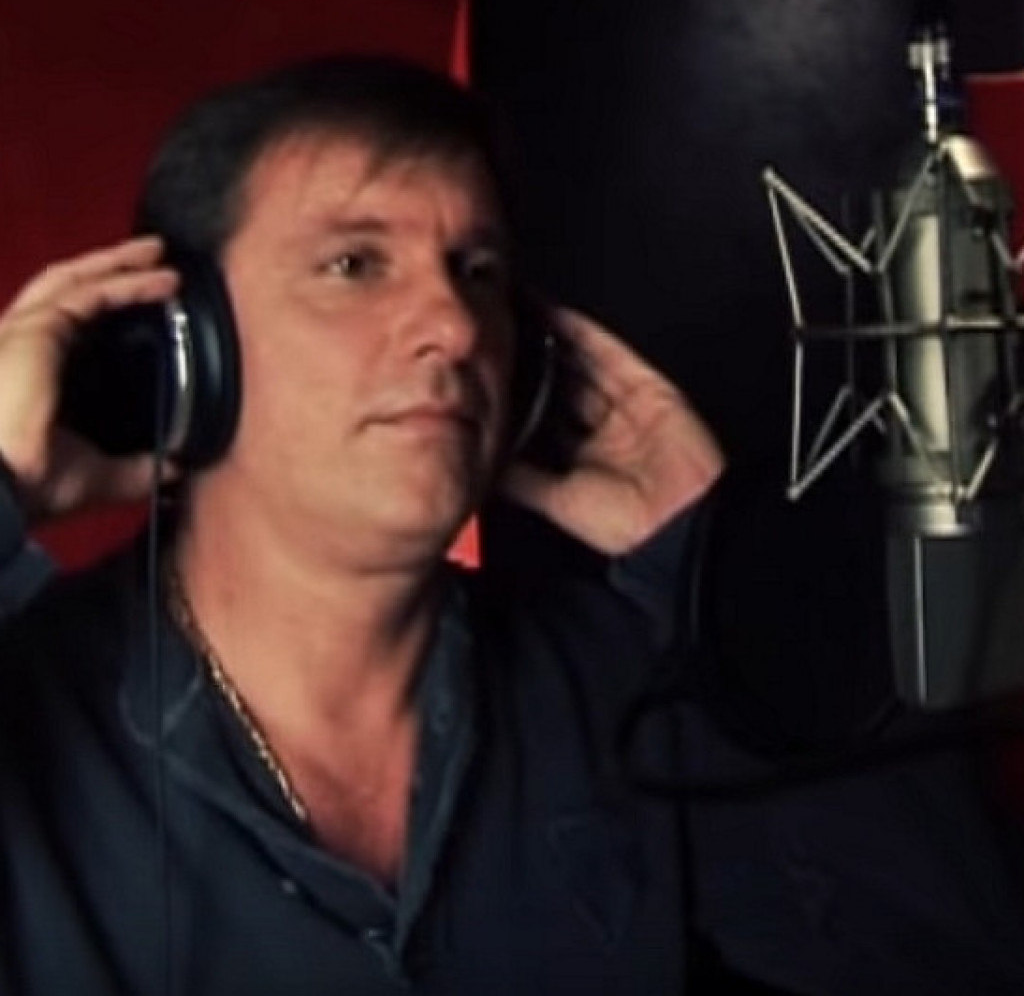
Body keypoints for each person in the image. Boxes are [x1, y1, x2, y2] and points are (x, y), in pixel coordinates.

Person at [0, 56, 723, 993]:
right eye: (354, 265)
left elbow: (901, 939)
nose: (455, 327)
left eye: (477, 271)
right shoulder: (29, 707)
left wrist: (713, 553)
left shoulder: (625, 678)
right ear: (187, 345)